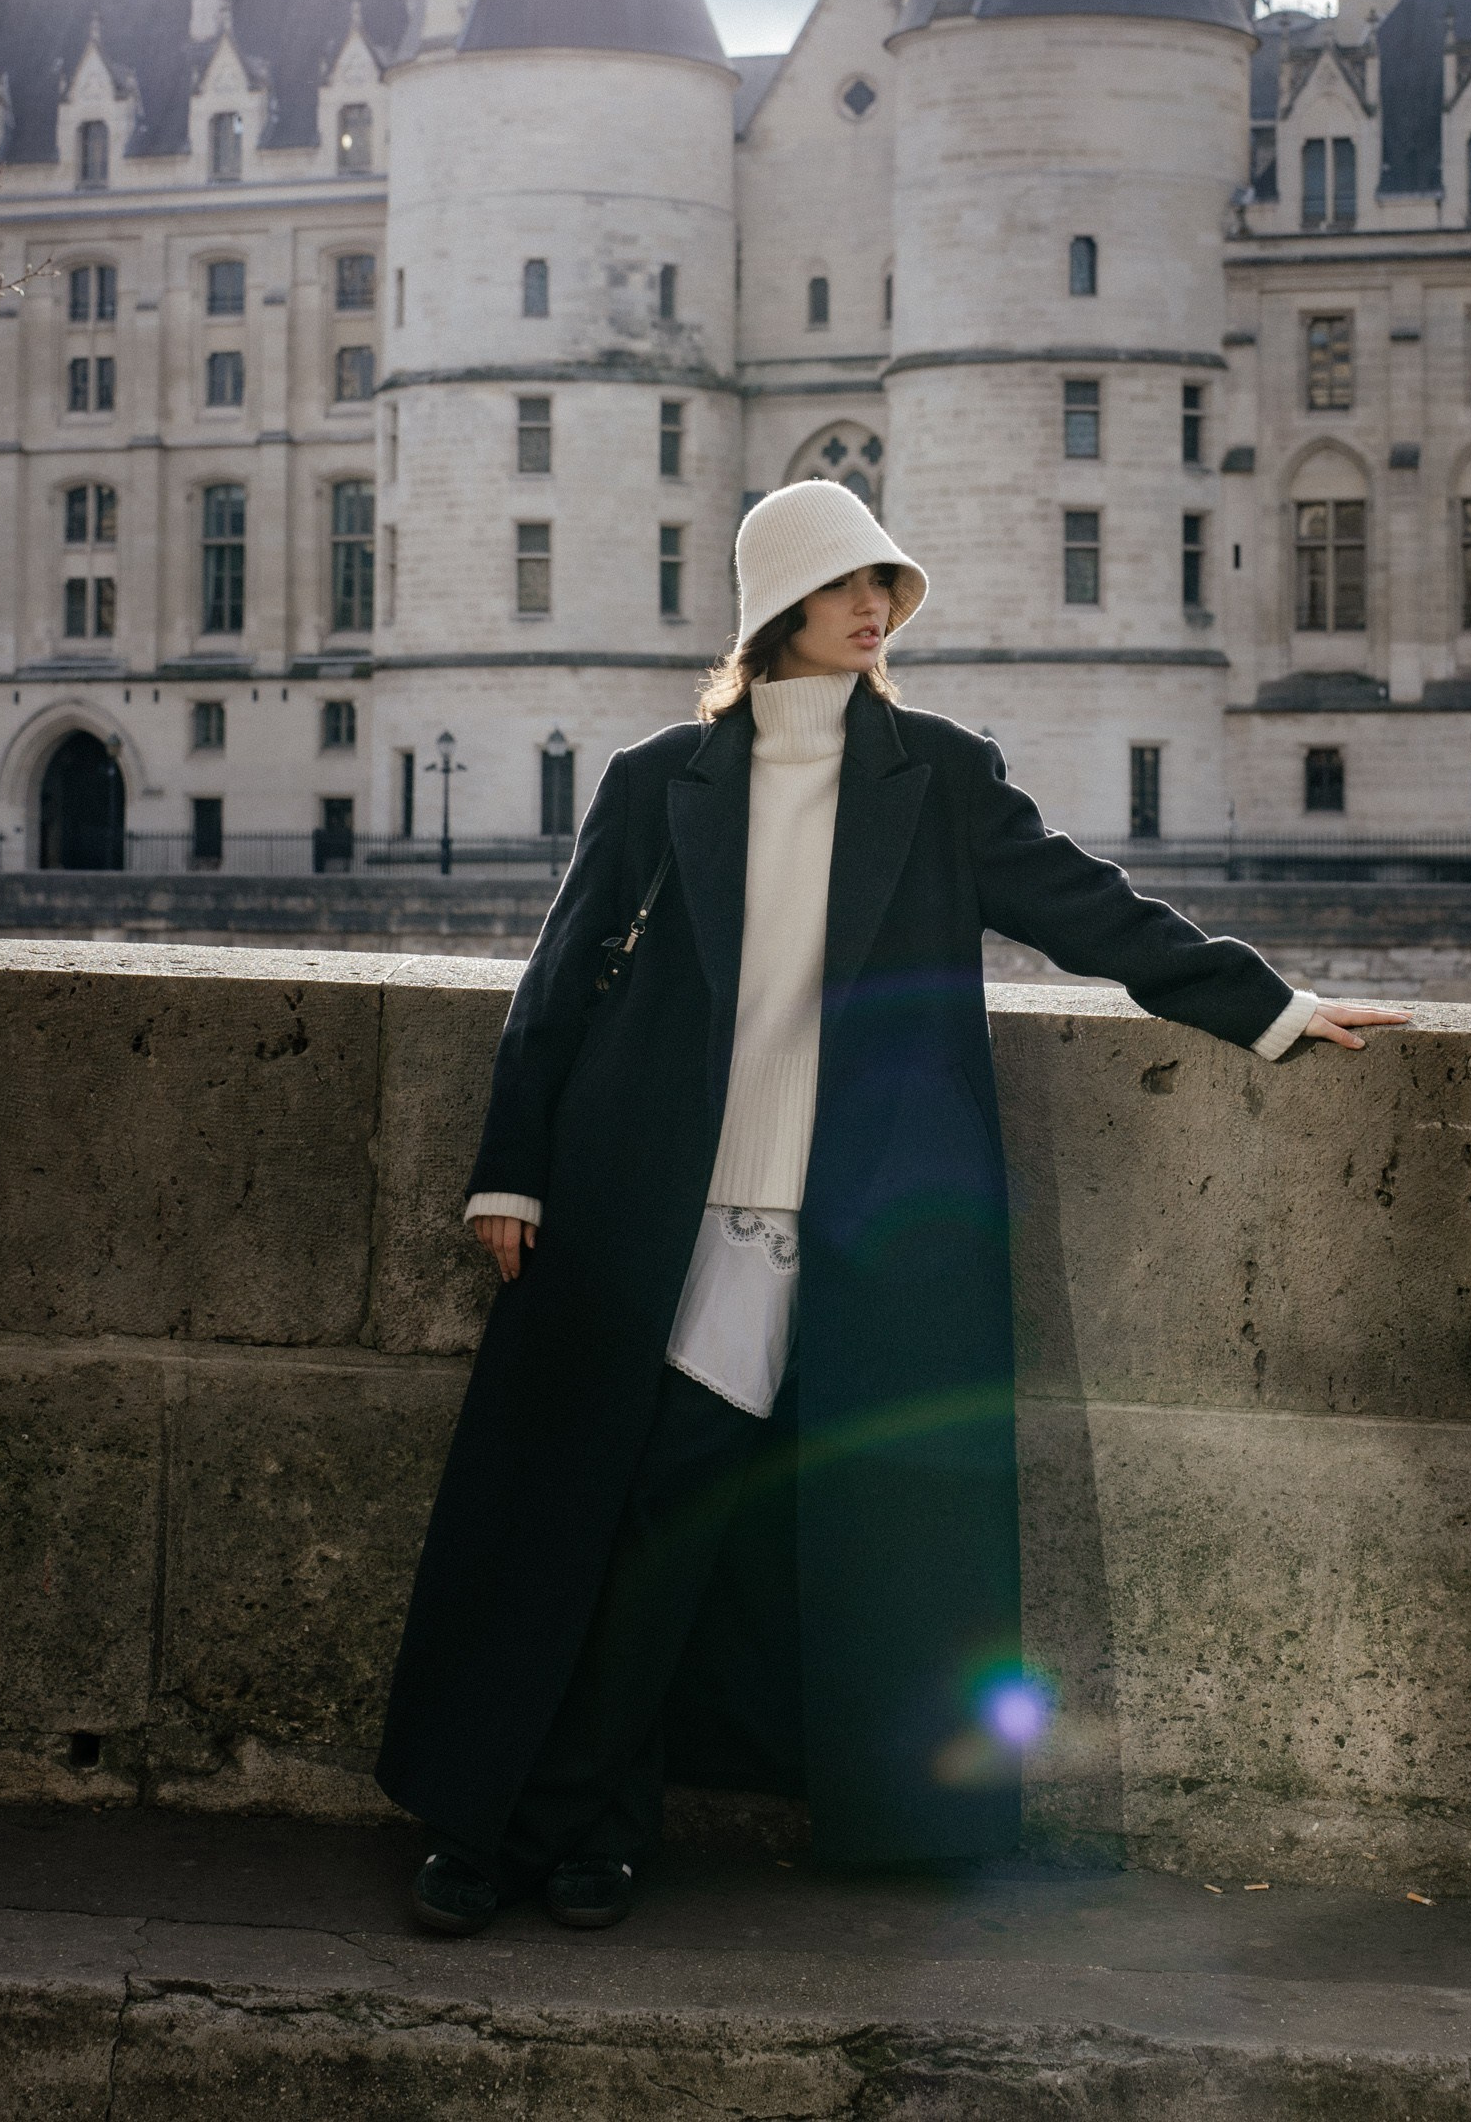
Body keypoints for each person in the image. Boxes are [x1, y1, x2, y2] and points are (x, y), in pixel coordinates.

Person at [375, 480, 1404, 1934]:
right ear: (778, 604)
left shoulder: (940, 774)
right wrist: (510, 1164)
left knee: (689, 1526)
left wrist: (1274, 1008)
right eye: (851, 585)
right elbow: (557, 986)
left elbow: (1089, 909)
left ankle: (562, 1831)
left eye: (889, 590)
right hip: (652, 1206)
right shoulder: (660, 776)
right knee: (612, 1523)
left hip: (842, 1226)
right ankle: (549, 1829)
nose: (880, 610)